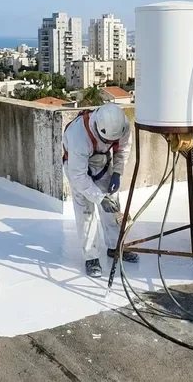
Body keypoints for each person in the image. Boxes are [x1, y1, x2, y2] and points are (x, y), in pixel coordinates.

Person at [63, 103, 137, 278]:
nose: (111, 143)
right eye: (108, 141)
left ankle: (115, 246)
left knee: (112, 207)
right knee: (86, 213)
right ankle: (91, 258)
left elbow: (123, 149)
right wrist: (99, 198)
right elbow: (78, 177)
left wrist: (117, 172)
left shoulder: (122, 125)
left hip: (102, 164)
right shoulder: (78, 136)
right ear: (98, 128)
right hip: (78, 169)